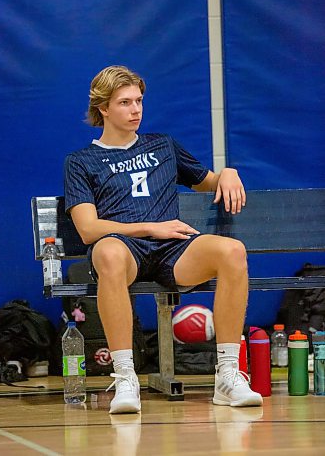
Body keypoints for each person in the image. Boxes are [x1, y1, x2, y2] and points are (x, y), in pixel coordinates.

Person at [64, 65, 263, 414]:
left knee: (232, 251)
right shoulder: (81, 161)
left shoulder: (163, 145)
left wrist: (228, 173)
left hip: (173, 249)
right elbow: (88, 229)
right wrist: (148, 227)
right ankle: (126, 378)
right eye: (125, 102)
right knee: (107, 251)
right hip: (124, 249)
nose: (136, 109)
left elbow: (209, 181)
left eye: (139, 101)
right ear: (104, 109)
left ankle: (228, 375)